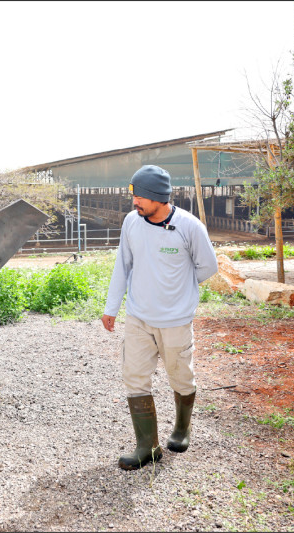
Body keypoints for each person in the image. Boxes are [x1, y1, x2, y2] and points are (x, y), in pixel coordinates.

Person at [101, 165, 218, 471]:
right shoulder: (132, 222)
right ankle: (147, 447)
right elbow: (122, 265)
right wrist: (111, 307)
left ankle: (181, 428)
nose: (134, 202)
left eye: (140, 197)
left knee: (181, 376)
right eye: (133, 195)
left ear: (158, 197)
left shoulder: (190, 227)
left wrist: (180, 291)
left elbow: (207, 268)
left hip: (175, 321)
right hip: (138, 317)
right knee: (135, 377)